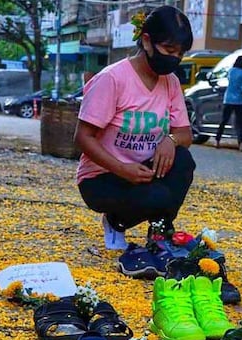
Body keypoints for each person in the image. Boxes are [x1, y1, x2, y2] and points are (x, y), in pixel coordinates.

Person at [75, 6, 195, 251]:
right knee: (158, 197)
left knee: (184, 161)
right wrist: (122, 169)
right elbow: (82, 137)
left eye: (180, 54)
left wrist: (169, 140)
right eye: (169, 50)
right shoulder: (112, 79)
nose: (174, 59)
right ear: (147, 41)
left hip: (144, 171)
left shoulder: (170, 82)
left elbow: (185, 134)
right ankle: (115, 221)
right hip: (103, 177)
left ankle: (159, 233)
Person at [215, 56, 242, 150]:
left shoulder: (231, 71)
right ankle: (241, 143)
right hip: (239, 100)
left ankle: (217, 140)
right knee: (240, 123)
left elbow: (228, 80)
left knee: (224, 120)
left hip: (228, 98)